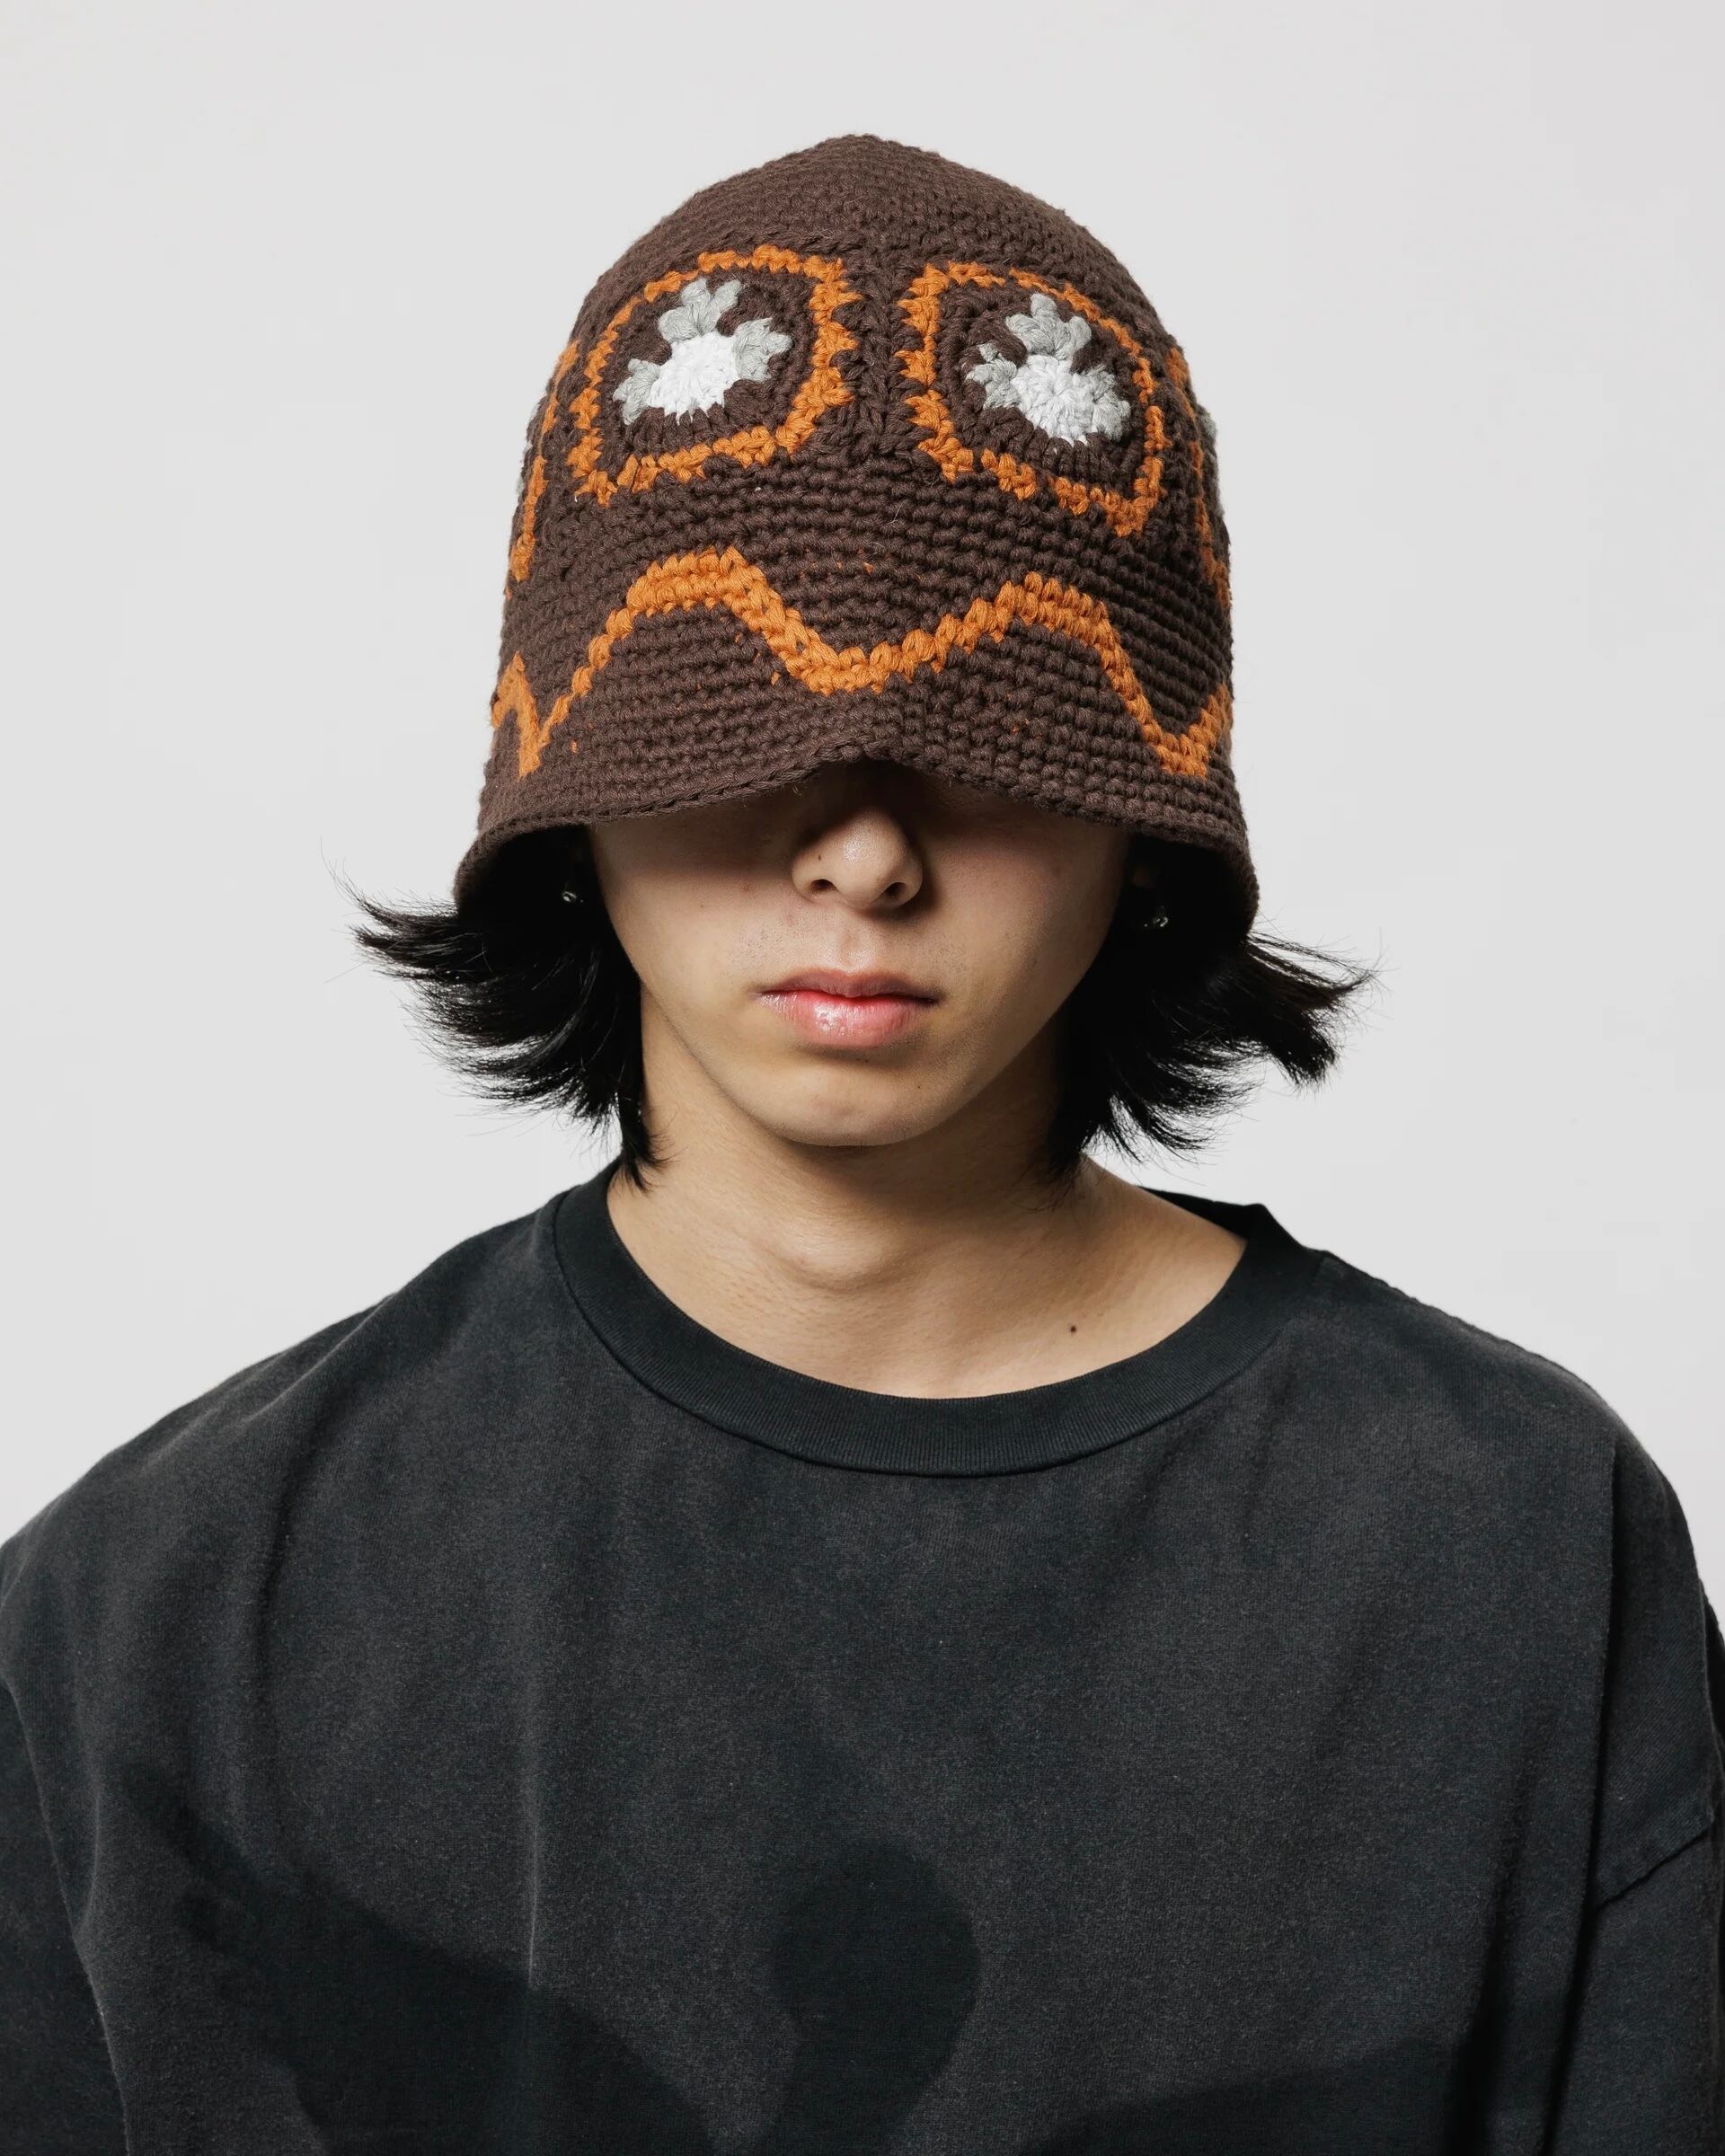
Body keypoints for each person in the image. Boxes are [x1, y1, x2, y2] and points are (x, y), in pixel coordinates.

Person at [2, 133, 1720, 2152]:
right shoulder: (160, 1615)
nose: (863, 856)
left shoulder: (1511, 1552)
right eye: (733, 720)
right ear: (572, 782)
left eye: (993, 736)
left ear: (1146, 814)